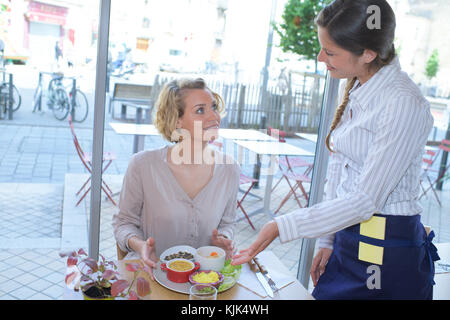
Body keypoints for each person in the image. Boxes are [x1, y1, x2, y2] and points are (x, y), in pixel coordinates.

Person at [231, 0, 440, 300]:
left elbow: (365, 199)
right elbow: (342, 173)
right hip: (350, 237)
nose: (320, 57)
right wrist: (327, 241)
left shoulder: (403, 103)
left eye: (329, 52)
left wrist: (281, 225)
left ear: (368, 53)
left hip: (385, 254)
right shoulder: (362, 85)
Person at [113, 78, 240, 279]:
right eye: (200, 110)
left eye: (214, 107)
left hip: (203, 283)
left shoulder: (230, 169)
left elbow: (228, 222)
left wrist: (223, 239)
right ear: (177, 120)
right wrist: (141, 246)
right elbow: (123, 223)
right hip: (151, 277)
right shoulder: (142, 165)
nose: (214, 116)